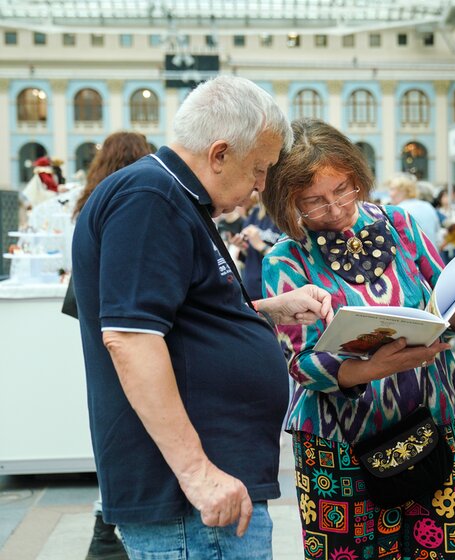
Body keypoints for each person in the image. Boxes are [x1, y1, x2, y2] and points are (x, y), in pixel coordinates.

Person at [71, 76, 333, 559]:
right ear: (219, 153)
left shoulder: (173, 198)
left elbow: (183, 321)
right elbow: (131, 338)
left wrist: (266, 312)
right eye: (258, 169)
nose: (258, 187)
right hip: (192, 498)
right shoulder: (151, 198)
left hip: (209, 490)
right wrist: (198, 473)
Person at [260, 118, 455, 560]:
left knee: (435, 551)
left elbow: (443, 306)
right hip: (339, 447)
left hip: (427, 425)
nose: (336, 208)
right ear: (288, 204)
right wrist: (369, 369)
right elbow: (300, 361)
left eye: (343, 189)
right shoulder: (285, 259)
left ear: (357, 177)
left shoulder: (400, 224)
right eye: (315, 202)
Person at [68, 131, 152, 560]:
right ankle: (106, 534)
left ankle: (105, 528)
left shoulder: (93, 200)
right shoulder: (140, 200)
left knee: (116, 433)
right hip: (124, 330)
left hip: (101, 327)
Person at [227, 194, 282, 300]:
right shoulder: (255, 214)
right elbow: (248, 256)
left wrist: (261, 245)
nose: (254, 193)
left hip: (274, 292)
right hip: (251, 291)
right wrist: (242, 246)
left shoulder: (284, 218)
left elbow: (288, 260)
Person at [387, 172, 441, 244]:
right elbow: (437, 233)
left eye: (392, 189)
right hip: (432, 253)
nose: (389, 194)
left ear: (403, 190)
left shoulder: (397, 211)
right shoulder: (428, 206)